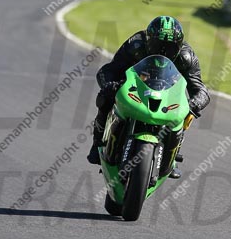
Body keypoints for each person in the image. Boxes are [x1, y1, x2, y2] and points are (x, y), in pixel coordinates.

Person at [87, 16, 210, 179]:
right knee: (106, 98)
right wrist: (110, 85)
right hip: (135, 85)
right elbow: (109, 70)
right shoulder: (135, 44)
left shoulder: (186, 57)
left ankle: (171, 159)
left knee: (186, 113)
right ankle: (97, 143)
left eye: (169, 47)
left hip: (167, 91)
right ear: (148, 40)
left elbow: (201, 90)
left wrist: (193, 104)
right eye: (158, 45)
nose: (163, 51)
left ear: (179, 46)